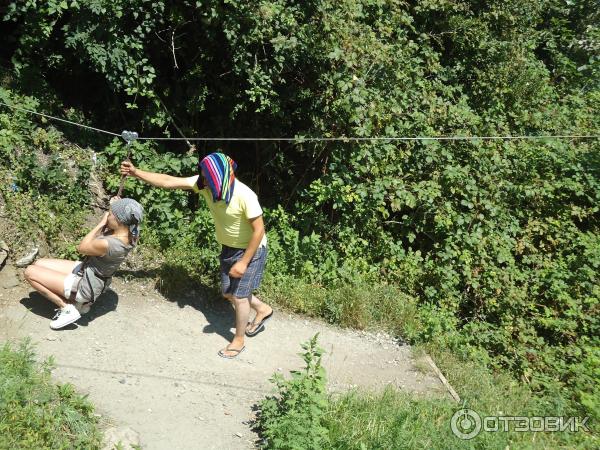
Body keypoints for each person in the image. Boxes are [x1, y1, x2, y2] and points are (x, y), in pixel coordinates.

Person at [120, 152, 272, 359]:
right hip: (229, 247)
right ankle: (263, 309)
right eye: (202, 175)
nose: (203, 180)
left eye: (207, 177)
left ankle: (238, 340)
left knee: (239, 296)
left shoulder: (245, 195)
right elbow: (168, 181)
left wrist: (244, 262)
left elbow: (259, 231)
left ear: (218, 177)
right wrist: (136, 173)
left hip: (251, 250)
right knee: (228, 293)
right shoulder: (205, 186)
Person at [24, 198, 144, 329]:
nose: (107, 216)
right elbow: (129, 214)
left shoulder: (109, 244)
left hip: (86, 287)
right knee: (39, 263)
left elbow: (81, 248)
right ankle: (80, 304)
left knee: (29, 272)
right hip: (91, 274)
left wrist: (101, 223)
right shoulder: (132, 234)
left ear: (119, 220)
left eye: (110, 214)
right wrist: (115, 206)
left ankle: (67, 308)